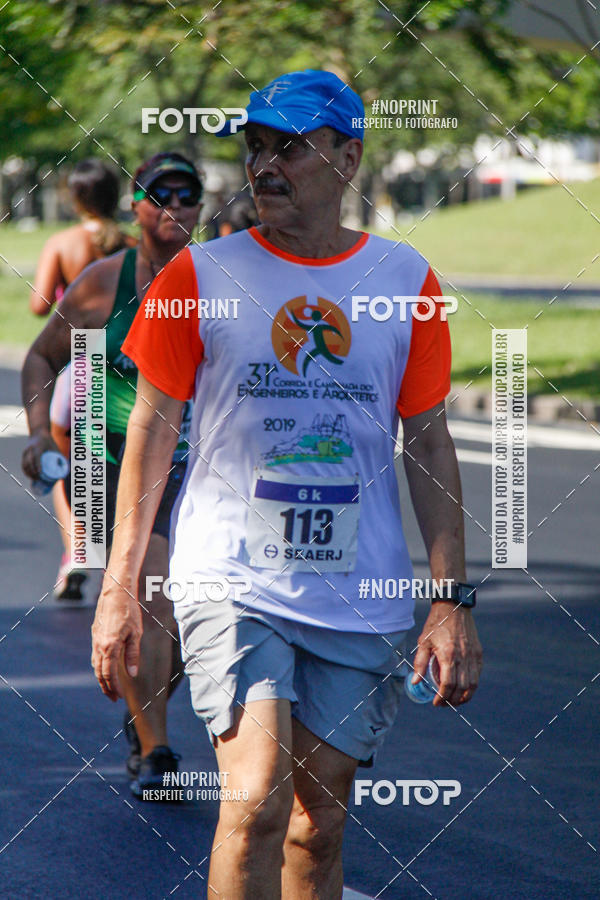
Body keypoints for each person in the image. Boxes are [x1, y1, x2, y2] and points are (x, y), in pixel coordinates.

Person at [90, 70, 483, 896]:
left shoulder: (405, 281)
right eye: (258, 146)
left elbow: (430, 441)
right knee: (257, 799)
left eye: (291, 147)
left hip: (357, 587)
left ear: (347, 157)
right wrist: (120, 585)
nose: (267, 164)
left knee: (319, 821)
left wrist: (449, 599)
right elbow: (151, 434)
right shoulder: (196, 276)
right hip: (230, 576)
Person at [22, 152, 204, 797]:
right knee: (146, 595)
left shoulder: (221, 283)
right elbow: (43, 356)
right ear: (137, 204)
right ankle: (155, 746)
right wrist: (43, 431)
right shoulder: (106, 281)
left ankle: (144, 707)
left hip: (196, 460)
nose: (175, 208)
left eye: (188, 196)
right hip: (112, 452)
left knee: (187, 615)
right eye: (161, 195)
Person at [30, 159, 134, 602]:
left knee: (66, 466)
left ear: (75, 199)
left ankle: (76, 552)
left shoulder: (63, 242)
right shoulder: (131, 245)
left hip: (78, 364)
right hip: (122, 369)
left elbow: (39, 306)